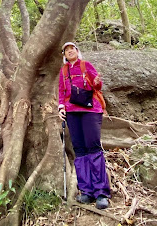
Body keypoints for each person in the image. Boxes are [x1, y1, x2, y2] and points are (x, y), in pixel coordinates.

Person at [58, 41, 111, 209]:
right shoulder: (63, 70)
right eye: (67, 50)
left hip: (91, 110)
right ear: (64, 55)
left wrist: (96, 81)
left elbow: (97, 86)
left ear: (77, 51)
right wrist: (61, 107)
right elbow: (61, 91)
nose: (70, 51)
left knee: (93, 147)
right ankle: (86, 191)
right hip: (72, 112)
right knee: (79, 149)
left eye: (72, 49)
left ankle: (101, 192)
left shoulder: (86, 65)